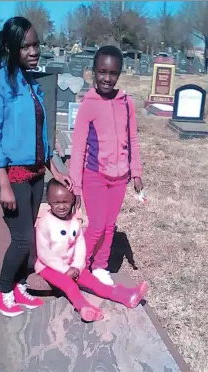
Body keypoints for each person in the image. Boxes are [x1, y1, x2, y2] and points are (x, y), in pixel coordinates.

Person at [0, 17, 72, 317]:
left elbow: (40, 133)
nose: (34, 52)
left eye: (36, 45)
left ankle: (19, 286)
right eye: (26, 46)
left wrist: (54, 168)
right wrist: (3, 183)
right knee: (23, 240)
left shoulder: (32, 85)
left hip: (35, 174)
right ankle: (2, 291)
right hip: (13, 175)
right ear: (10, 47)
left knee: (28, 235)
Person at [68, 45, 144, 287]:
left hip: (120, 178)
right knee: (97, 225)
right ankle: (79, 266)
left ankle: (100, 266)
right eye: (102, 72)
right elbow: (78, 147)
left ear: (119, 74)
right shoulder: (88, 104)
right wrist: (76, 187)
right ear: (93, 72)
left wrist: (136, 172)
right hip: (95, 175)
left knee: (109, 225)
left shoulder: (126, 103)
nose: (107, 78)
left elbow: (132, 139)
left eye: (113, 73)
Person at [35, 179, 148, 322]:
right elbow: (44, 253)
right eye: (56, 203)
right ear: (49, 202)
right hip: (49, 267)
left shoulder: (73, 221)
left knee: (95, 283)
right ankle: (83, 307)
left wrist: (76, 265)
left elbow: (80, 245)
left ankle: (127, 296)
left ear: (73, 200)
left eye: (66, 202)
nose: (61, 206)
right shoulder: (45, 223)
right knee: (69, 285)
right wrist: (65, 270)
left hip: (73, 265)